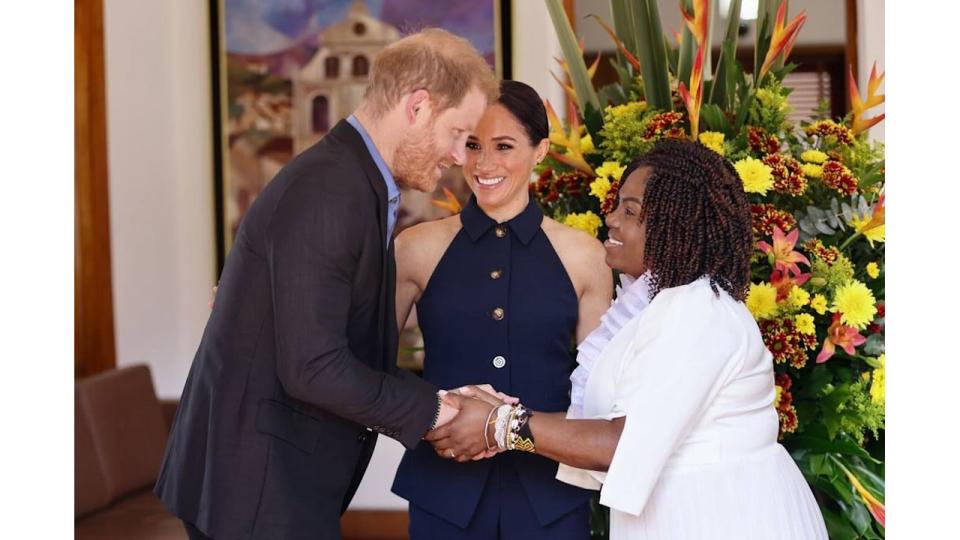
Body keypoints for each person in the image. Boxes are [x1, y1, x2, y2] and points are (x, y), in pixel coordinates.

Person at [154, 29, 499, 540]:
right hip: (256, 487)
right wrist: (433, 409)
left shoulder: (353, 182)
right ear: (419, 106)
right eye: (457, 133)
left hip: (266, 479)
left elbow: (326, 338)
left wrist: (440, 397)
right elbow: (312, 367)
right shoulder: (329, 190)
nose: (457, 156)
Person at [431, 138, 829, 539]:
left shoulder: (698, 312)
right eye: (618, 205)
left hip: (719, 517)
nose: (612, 219)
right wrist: (498, 417)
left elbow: (620, 443)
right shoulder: (658, 304)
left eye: (631, 211)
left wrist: (500, 425)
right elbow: (610, 425)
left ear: (677, 223)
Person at [391, 80, 613, 539]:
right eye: (472, 145)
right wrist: (433, 416)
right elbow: (365, 364)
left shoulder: (585, 256)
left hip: (550, 496)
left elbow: (598, 395)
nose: (484, 163)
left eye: (504, 146)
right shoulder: (415, 248)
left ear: (541, 151)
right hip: (442, 490)